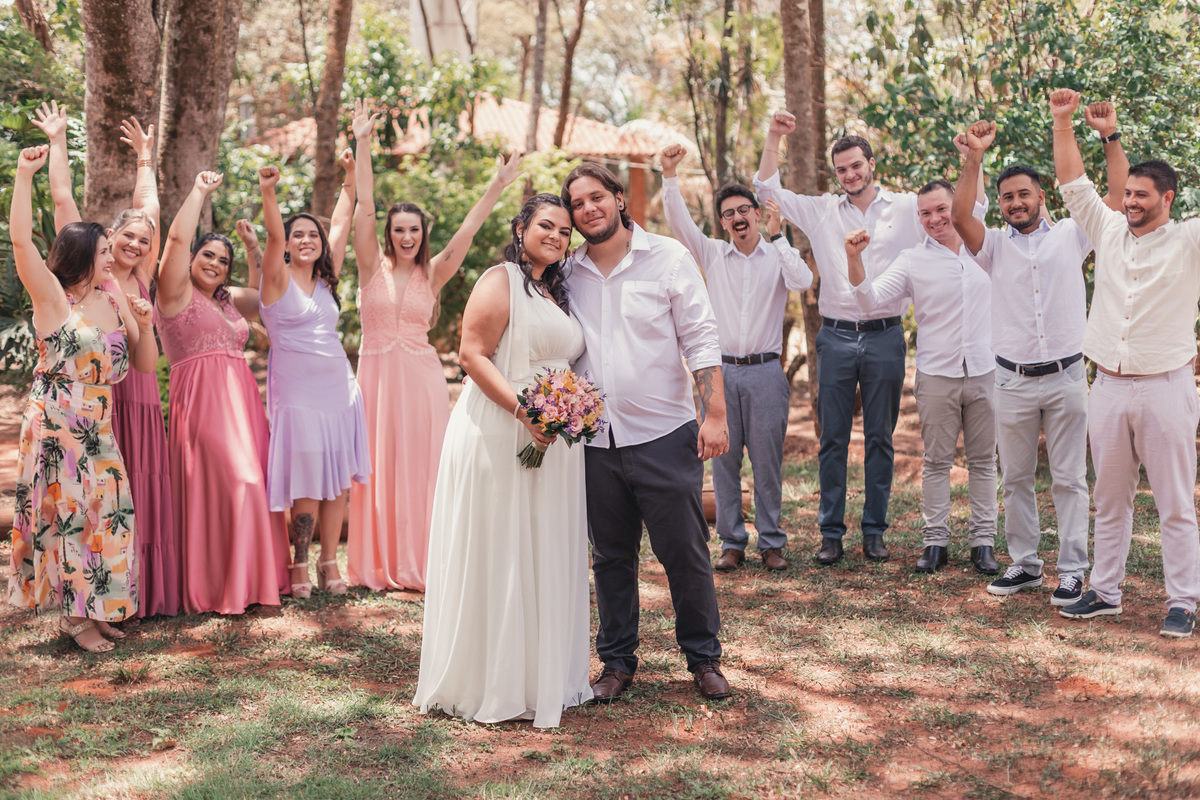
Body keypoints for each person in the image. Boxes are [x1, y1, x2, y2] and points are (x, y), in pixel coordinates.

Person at [414, 193, 593, 727]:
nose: (557, 237)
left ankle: (540, 676)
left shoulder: (555, 291)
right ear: (521, 229)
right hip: (501, 425)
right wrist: (523, 411)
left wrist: (564, 410)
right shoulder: (500, 279)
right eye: (547, 226)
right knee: (502, 543)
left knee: (540, 544)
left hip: (552, 432)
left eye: (565, 232)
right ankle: (490, 679)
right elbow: (471, 354)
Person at [562, 162, 732, 703]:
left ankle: (703, 659)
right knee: (610, 557)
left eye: (596, 197)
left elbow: (700, 337)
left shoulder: (669, 257)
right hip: (594, 441)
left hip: (664, 433)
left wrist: (715, 414)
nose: (588, 209)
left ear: (618, 198)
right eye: (577, 204)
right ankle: (616, 663)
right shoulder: (566, 272)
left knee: (684, 551)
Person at [951, 112, 1128, 604]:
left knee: (1070, 479)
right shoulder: (992, 247)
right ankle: (1025, 565)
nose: (1015, 202)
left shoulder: (1073, 233)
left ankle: (1072, 570)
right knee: (1016, 478)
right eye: (1007, 197)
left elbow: (1117, 197)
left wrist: (1109, 137)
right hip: (1012, 380)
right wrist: (974, 159)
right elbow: (961, 218)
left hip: (1067, 375)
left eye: (1023, 194)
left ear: (1041, 196)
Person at [347, 99, 521, 593]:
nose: (406, 236)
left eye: (414, 230)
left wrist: (498, 184)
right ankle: (379, 563)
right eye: (398, 230)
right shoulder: (369, 266)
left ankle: (426, 561)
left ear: (422, 234)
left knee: (424, 468)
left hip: (422, 381)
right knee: (377, 465)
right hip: (376, 380)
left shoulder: (434, 271)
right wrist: (363, 141)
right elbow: (364, 205)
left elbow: (469, 228)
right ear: (388, 234)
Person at [1048, 88, 1200, 638]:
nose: (1130, 201)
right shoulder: (1108, 229)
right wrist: (1063, 122)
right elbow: (1072, 182)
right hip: (1108, 386)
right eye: (1128, 193)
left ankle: (1182, 602)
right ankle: (1105, 592)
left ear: (1167, 198)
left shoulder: (1189, 240)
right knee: (1110, 500)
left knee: (1175, 505)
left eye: (1141, 195)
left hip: (1167, 387)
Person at [754, 112, 922, 566]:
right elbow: (766, 192)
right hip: (836, 336)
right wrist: (774, 136)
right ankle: (831, 535)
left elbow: (952, 216)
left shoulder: (905, 208)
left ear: (872, 164)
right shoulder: (823, 210)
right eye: (842, 169)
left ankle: (874, 532)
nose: (849, 175)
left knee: (880, 438)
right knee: (832, 439)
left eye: (856, 166)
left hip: (886, 335)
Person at [32, 101, 179, 619]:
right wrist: (57, 140)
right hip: (92, 406)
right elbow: (62, 197)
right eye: (127, 236)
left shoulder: (140, 279)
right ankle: (84, 605)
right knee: (95, 502)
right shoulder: (92, 275)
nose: (136, 243)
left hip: (137, 395)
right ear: (108, 238)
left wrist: (145, 158)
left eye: (145, 239)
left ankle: (135, 597)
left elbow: (148, 207)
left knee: (130, 500)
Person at [8, 145, 158, 652]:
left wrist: (144, 325)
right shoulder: (54, 298)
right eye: (104, 251)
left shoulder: (113, 298)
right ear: (84, 256)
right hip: (57, 424)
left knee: (109, 513)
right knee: (71, 517)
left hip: (99, 426)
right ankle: (75, 620)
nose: (112, 257)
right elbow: (21, 240)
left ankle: (96, 607)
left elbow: (144, 364)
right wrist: (24, 175)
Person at [660, 144, 812, 572]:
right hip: (719, 373)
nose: (737, 217)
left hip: (765, 373)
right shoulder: (711, 253)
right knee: (722, 460)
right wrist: (669, 175)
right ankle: (731, 543)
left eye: (744, 209)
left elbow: (802, 281)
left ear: (757, 214)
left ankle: (771, 543)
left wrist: (779, 236)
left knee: (767, 463)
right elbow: (679, 222)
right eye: (728, 213)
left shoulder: (777, 254)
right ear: (723, 222)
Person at [846, 174, 998, 573]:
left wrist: (974, 158)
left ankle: (983, 542)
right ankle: (935, 543)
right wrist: (854, 259)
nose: (934, 219)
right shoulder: (913, 260)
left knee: (984, 461)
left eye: (942, 209)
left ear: (957, 207)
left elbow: (978, 193)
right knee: (936, 462)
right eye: (925, 213)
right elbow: (870, 300)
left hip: (985, 370)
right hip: (936, 374)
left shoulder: (986, 248)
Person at [155, 171, 291, 615]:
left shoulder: (227, 300)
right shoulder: (174, 293)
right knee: (239, 482)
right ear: (192, 259)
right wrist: (198, 191)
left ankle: (254, 582)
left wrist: (251, 248)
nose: (214, 264)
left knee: (255, 481)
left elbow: (265, 295)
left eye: (222, 261)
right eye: (207, 255)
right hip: (203, 404)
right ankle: (219, 585)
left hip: (243, 405)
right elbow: (176, 241)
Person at [257, 165, 371, 597]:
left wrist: (350, 177)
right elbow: (271, 235)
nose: (307, 240)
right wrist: (269, 191)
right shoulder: (276, 278)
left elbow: (341, 221)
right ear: (287, 244)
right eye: (298, 235)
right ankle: (300, 563)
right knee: (306, 475)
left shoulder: (325, 279)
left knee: (337, 477)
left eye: (313, 235)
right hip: (297, 393)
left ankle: (329, 562)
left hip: (340, 390)